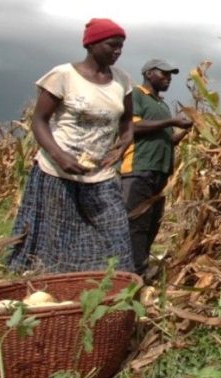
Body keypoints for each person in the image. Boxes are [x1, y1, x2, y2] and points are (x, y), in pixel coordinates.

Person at [8, 18, 134, 273]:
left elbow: (127, 122)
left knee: (115, 233)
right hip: (57, 171)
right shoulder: (63, 75)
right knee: (57, 236)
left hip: (100, 173)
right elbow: (39, 121)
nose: (117, 51)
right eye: (112, 45)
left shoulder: (122, 81)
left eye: (121, 46)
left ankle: (109, 284)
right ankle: (51, 283)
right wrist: (60, 155)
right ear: (91, 44)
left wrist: (122, 146)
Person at [119, 58, 193, 276]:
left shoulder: (161, 105)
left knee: (152, 223)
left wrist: (184, 131)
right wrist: (172, 122)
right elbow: (132, 127)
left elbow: (166, 140)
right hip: (138, 168)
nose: (168, 79)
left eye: (170, 76)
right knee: (136, 223)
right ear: (149, 73)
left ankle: (140, 268)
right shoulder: (136, 95)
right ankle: (132, 274)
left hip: (160, 172)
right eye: (164, 74)